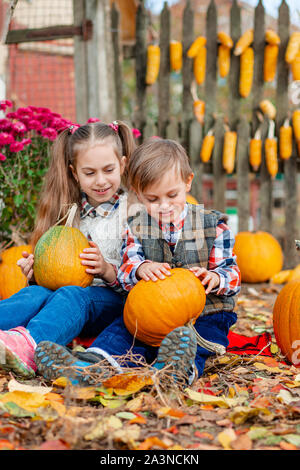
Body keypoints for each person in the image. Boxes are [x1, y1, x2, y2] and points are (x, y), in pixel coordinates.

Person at [35, 138, 241, 386]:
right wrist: (141, 268)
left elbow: (232, 274)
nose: (164, 206)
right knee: (125, 328)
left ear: (187, 182)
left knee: (195, 341)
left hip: (204, 314)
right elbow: (124, 273)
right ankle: (90, 366)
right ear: (139, 194)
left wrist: (215, 277)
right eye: (152, 199)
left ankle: (176, 371)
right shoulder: (137, 227)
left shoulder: (213, 227)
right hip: (151, 313)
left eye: (172, 195)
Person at [0, 120, 136, 380]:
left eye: (108, 170)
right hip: (68, 300)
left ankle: (31, 347)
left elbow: (143, 276)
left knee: (74, 295)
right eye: (89, 173)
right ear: (75, 173)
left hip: (115, 303)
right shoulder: (69, 214)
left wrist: (107, 271)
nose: (100, 180)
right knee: (34, 293)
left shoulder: (134, 212)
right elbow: (56, 272)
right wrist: (36, 271)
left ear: (123, 164)